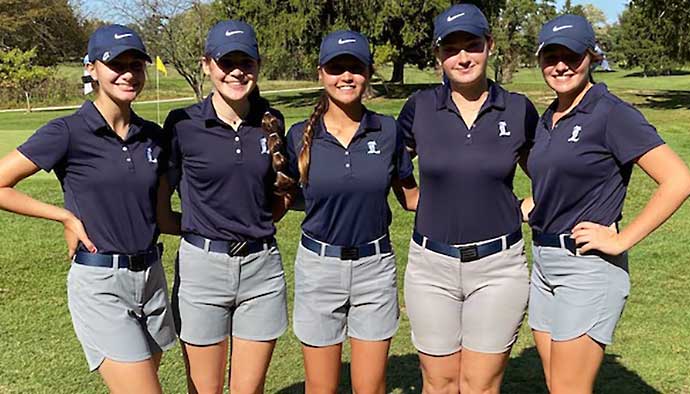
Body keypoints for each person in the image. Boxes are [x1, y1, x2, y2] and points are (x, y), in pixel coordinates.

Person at [0, 25, 176, 393]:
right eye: (116, 63)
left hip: (152, 279)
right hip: (102, 284)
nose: (128, 73)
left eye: (136, 64)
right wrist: (65, 216)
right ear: (92, 68)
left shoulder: (154, 136)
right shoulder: (67, 131)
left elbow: (161, 215)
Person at [527, 14, 690, 393]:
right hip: (543, 265)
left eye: (571, 55)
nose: (560, 65)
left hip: (587, 269)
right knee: (558, 386)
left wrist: (622, 240)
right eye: (550, 56)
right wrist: (535, 206)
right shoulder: (549, 116)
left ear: (592, 56)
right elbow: (563, 179)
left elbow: (679, 181)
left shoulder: (611, 113)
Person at [396, 4, 539, 393]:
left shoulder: (518, 108)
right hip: (431, 268)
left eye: (472, 45)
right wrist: (410, 197)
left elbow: (551, 168)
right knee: (439, 382)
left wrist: (529, 205)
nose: (463, 57)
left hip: (499, 268)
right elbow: (391, 163)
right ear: (438, 55)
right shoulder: (420, 108)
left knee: (479, 384)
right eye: (451, 48)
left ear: (489, 46)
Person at [157, 20, 292, 394]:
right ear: (206, 64)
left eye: (245, 62)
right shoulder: (182, 124)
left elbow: (279, 195)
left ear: (258, 65)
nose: (236, 71)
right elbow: (160, 203)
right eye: (225, 61)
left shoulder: (271, 121)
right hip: (203, 269)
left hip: (261, 269)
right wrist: (198, 227)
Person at [285, 30, 418, 394]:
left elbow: (411, 197)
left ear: (369, 72)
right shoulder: (298, 136)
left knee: (371, 386)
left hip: (374, 270)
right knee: (321, 387)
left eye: (355, 67)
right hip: (318, 269)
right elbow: (284, 199)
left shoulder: (387, 130)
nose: (346, 76)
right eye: (336, 68)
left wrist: (483, 198)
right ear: (321, 74)